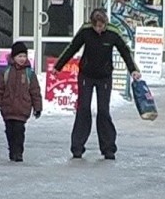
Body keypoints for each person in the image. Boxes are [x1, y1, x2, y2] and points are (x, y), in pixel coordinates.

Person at [53, 8, 141, 160]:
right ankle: (77, 147)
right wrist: (58, 66)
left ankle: (108, 148)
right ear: (92, 24)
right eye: (96, 26)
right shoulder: (86, 30)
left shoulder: (113, 32)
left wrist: (133, 70)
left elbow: (125, 51)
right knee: (83, 109)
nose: (99, 29)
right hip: (86, 75)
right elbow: (72, 47)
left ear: (106, 23)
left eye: (101, 26)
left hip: (104, 77)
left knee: (103, 111)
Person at [0, 41, 43, 162]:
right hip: (8, 109)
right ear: (13, 57)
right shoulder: (5, 72)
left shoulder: (29, 73)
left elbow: (35, 92)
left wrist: (38, 107)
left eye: (24, 56)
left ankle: (18, 152)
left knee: (19, 132)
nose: (22, 59)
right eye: (19, 56)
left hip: (22, 110)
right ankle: (12, 150)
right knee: (10, 131)